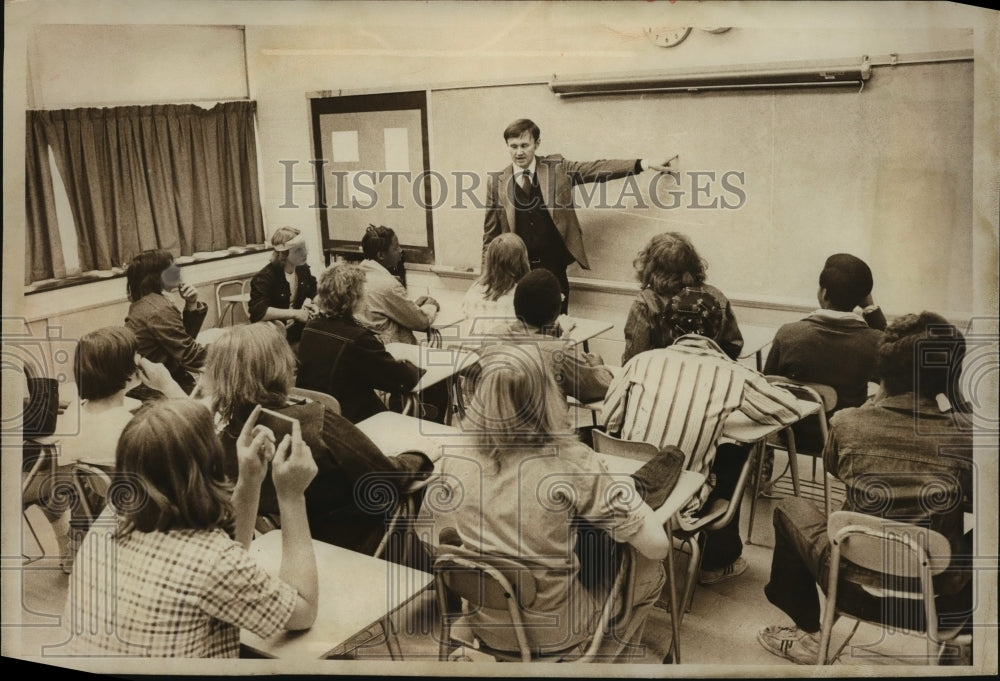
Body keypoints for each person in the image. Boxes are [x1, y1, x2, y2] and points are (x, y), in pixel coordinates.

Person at [431, 343, 672, 660]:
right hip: (557, 632)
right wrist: (626, 496)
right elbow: (658, 546)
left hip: (485, 623)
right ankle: (596, 661)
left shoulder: (454, 455)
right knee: (652, 574)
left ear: (481, 394)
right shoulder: (571, 463)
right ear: (548, 395)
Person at [758, 312, 973, 665]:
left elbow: (832, 467)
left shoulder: (847, 423)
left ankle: (808, 632)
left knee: (788, 508)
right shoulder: (965, 437)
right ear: (949, 377)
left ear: (883, 369)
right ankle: (963, 642)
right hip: (934, 594)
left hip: (848, 582)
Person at [62, 399, 319, 657]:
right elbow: (303, 612)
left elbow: (231, 551)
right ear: (211, 464)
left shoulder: (112, 518)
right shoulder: (213, 561)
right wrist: (291, 495)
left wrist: (250, 479)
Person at [203, 322, 433, 554]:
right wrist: (418, 458)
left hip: (284, 545)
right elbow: (389, 476)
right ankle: (429, 563)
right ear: (279, 366)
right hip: (354, 543)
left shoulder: (224, 440)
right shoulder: (314, 421)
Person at [602, 334, 811, 584]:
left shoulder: (640, 360)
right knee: (734, 453)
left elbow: (609, 420)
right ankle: (717, 561)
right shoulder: (735, 373)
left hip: (615, 489)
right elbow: (791, 409)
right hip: (677, 506)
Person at [25, 326, 185, 574]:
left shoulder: (75, 412)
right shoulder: (129, 427)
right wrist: (168, 385)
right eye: (136, 354)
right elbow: (194, 434)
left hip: (89, 521)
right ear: (128, 372)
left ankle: (71, 551)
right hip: (135, 524)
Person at [482, 118, 678, 313]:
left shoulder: (557, 168)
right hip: (515, 271)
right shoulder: (497, 182)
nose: (519, 152)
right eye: (513, 146)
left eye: (525, 145)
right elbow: (490, 236)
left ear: (537, 143)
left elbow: (597, 169)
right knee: (521, 328)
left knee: (558, 326)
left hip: (553, 268)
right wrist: (485, 280)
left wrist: (643, 164)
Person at [297, 262, 423, 424]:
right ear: (354, 298)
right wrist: (408, 364)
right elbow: (405, 380)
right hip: (351, 420)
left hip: (315, 415)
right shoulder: (358, 337)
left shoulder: (311, 328)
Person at [763, 253, 887, 414]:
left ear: (823, 293)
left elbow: (767, 385)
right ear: (862, 298)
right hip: (841, 434)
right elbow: (891, 364)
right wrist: (870, 309)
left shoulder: (787, 333)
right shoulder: (875, 341)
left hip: (791, 431)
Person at [490, 268, 614, 406]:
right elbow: (602, 386)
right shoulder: (558, 354)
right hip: (544, 426)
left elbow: (530, 338)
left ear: (516, 304)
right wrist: (599, 366)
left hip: (494, 425)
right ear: (556, 312)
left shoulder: (493, 337)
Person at [622, 232, 743, 365]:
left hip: (659, 379)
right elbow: (733, 346)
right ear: (694, 262)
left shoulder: (645, 302)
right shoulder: (716, 296)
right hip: (710, 377)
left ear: (650, 266)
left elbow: (634, 358)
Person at [124, 249, 207, 395]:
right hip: (151, 387)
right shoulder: (158, 308)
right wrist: (229, 352)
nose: (178, 270)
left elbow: (181, 343)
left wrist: (191, 303)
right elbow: (188, 354)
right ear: (156, 276)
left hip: (151, 379)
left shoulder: (149, 301)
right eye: (171, 267)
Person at [355, 224, 438, 345]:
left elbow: (381, 311)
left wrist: (411, 306)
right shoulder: (388, 285)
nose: (400, 251)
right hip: (392, 352)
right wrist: (431, 306)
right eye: (396, 247)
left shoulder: (356, 276)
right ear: (381, 255)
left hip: (369, 348)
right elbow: (421, 323)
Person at [248, 226, 319, 346]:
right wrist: (295, 313)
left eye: (304, 248)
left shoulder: (302, 269)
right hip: (271, 334)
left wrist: (316, 305)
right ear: (284, 254)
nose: (305, 253)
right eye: (298, 250)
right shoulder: (265, 277)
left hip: (295, 330)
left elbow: (314, 291)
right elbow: (258, 312)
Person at [461, 232, 530, 337]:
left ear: (489, 259)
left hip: (473, 351)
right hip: (505, 352)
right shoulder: (522, 296)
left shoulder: (474, 289)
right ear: (522, 261)